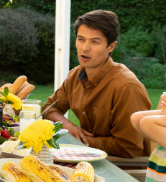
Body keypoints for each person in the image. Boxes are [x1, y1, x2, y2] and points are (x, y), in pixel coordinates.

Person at [42, 10, 153, 158]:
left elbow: (129, 148)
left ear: (110, 47)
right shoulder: (75, 75)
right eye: (81, 39)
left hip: (126, 168)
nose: (85, 48)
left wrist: (82, 140)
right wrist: (69, 126)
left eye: (94, 42)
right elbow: (49, 109)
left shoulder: (126, 87)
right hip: (89, 158)